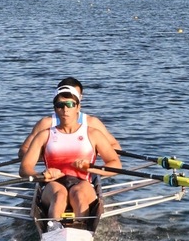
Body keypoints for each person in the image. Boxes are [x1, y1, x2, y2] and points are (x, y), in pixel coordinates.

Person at [20, 87, 122, 225]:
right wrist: (43, 174)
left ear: (78, 107)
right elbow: (24, 168)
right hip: (53, 183)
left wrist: (91, 168)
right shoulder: (44, 135)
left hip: (83, 182)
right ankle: (54, 230)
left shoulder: (93, 134)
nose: (65, 110)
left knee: (79, 195)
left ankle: (80, 229)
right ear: (55, 109)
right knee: (59, 196)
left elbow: (115, 163)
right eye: (60, 105)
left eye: (70, 105)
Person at [18, 77, 120, 159]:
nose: (66, 108)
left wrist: (97, 152)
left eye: (72, 99)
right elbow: (23, 151)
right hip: (54, 174)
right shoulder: (46, 124)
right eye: (64, 99)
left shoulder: (92, 122)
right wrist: (48, 156)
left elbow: (116, 148)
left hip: (84, 171)